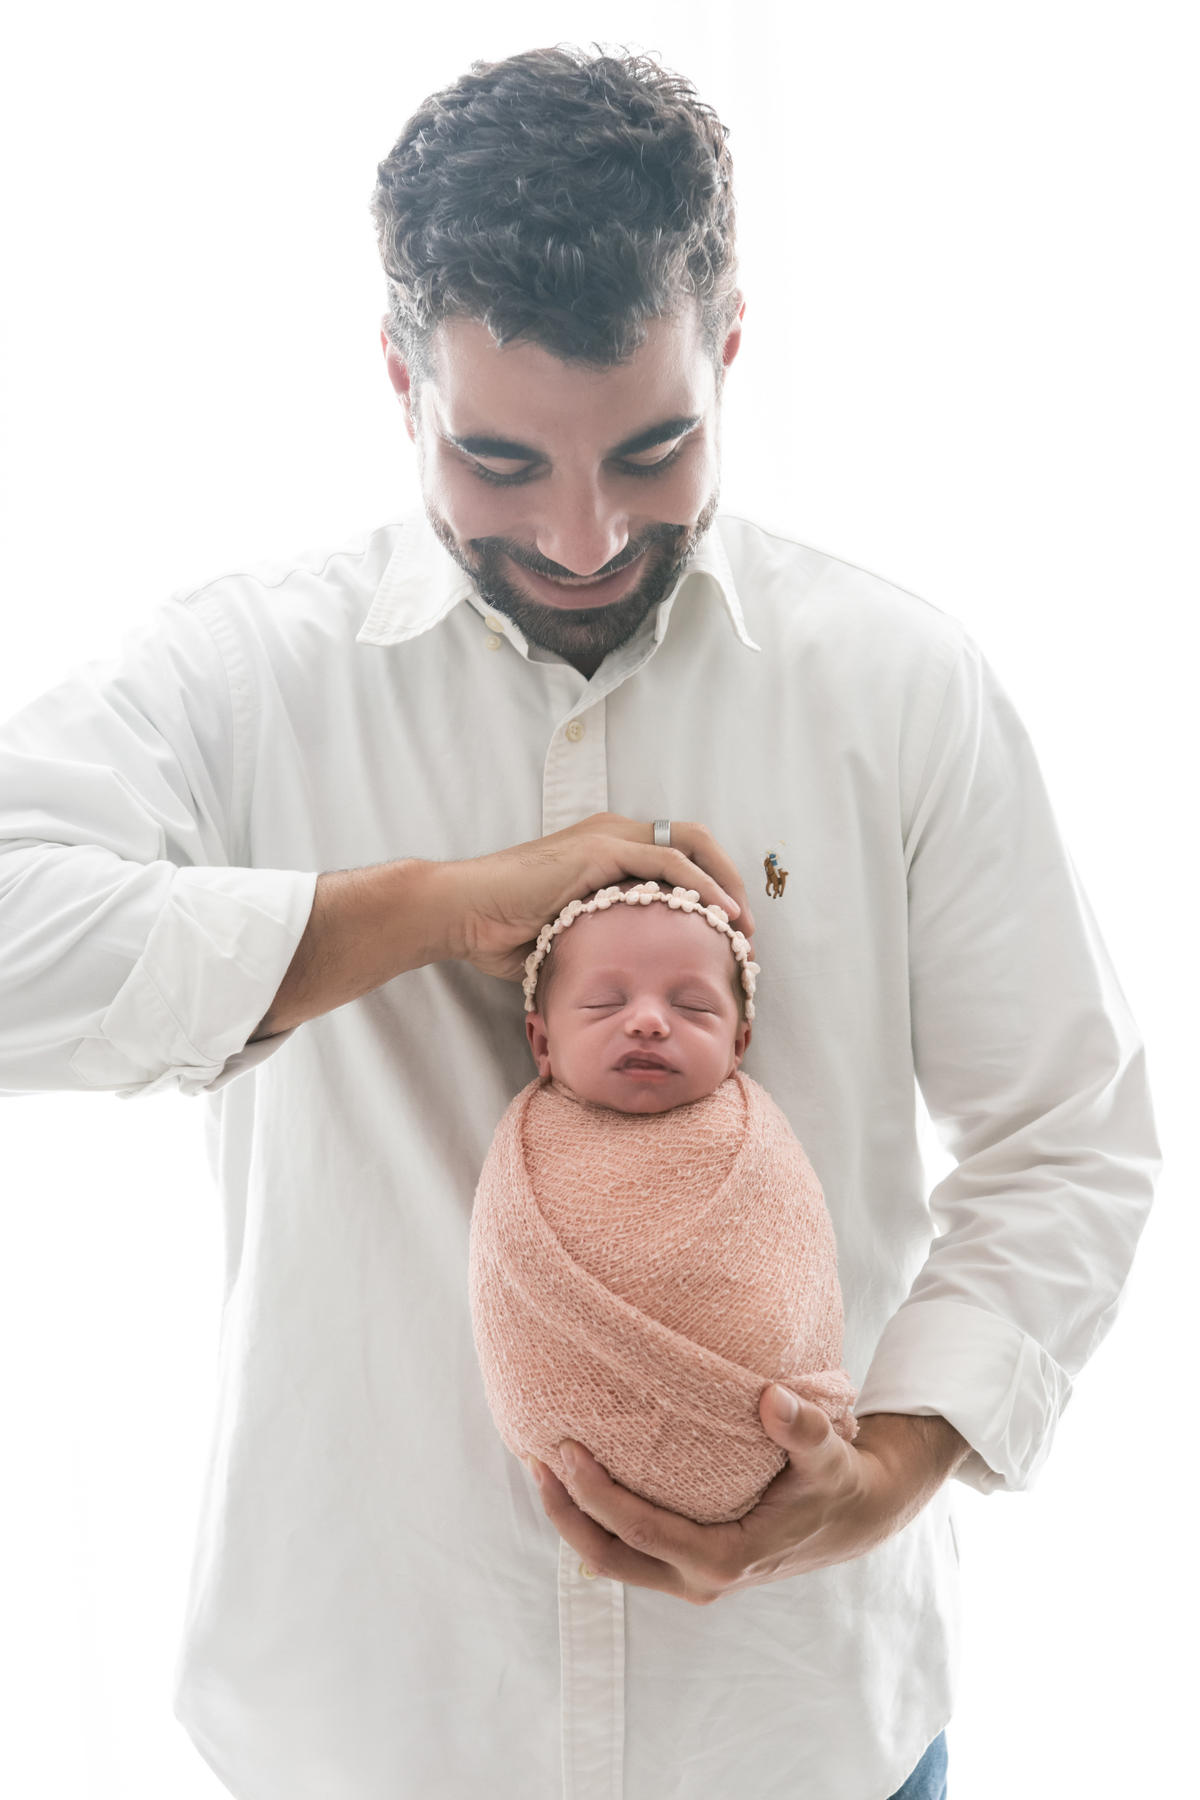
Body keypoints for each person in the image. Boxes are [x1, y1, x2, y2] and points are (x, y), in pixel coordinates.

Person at [0, 44, 1157, 1800]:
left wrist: (908, 1458)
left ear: (732, 350)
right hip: (371, 1727)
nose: (586, 533)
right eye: (499, 461)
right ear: (398, 381)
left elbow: (1073, 1135)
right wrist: (431, 909)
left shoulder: (900, 686)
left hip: (803, 1731)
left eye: (654, 446)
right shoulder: (244, 678)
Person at [469, 878, 857, 1527]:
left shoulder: (756, 1144)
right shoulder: (529, 1149)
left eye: (694, 1007)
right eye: (603, 1003)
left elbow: (795, 1272)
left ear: (739, 1044)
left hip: (767, 1453)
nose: (648, 1020)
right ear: (540, 1042)